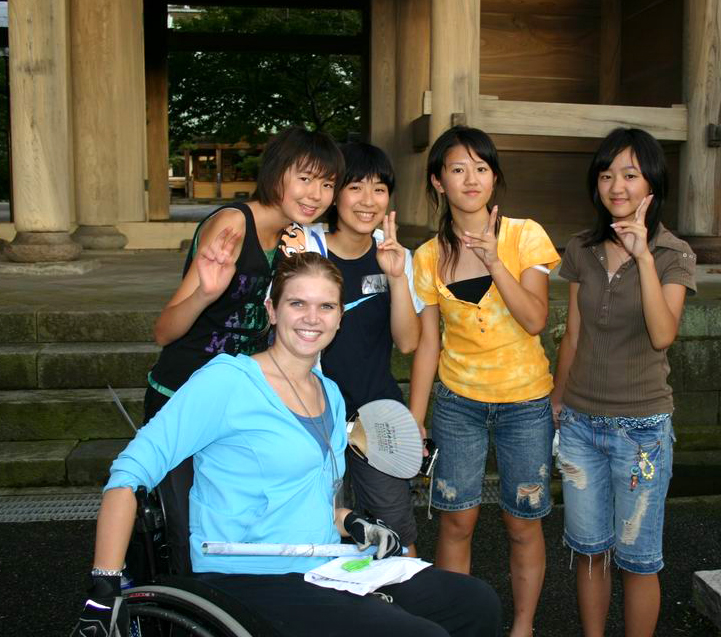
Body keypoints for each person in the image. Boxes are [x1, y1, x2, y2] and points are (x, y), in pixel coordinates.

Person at [72, 252, 502, 637]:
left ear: (339, 317)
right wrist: (104, 587)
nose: (311, 318)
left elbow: (299, 497)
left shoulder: (329, 392)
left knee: (475, 603)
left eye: (326, 306)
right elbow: (127, 475)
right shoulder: (227, 382)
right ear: (271, 310)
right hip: (246, 574)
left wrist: (351, 521)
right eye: (297, 303)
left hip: (323, 564)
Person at [142, 127, 343, 573]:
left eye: (327, 184)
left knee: (230, 528)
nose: (316, 194)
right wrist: (204, 294)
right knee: (182, 534)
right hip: (184, 397)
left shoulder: (290, 238)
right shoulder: (234, 224)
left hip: (240, 405)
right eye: (305, 178)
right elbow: (165, 330)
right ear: (276, 173)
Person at [409, 125, 560, 637]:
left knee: (523, 523)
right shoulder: (427, 256)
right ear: (438, 181)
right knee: (456, 520)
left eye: (481, 167)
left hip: (525, 402)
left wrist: (495, 259)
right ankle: (457, 627)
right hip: (458, 403)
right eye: (457, 168)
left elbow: (536, 318)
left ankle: (523, 626)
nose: (470, 178)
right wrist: (416, 416)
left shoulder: (524, 235)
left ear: (495, 177)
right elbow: (429, 342)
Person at [550, 127, 696, 637]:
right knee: (589, 553)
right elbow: (573, 333)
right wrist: (557, 399)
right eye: (607, 174)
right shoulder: (582, 248)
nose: (617, 185)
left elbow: (663, 334)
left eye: (630, 174)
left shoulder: (674, 253)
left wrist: (644, 257)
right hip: (580, 427)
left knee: (638, 558)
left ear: (652, 182)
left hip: (642, 433)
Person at [320, 142, 423, 556]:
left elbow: (409, 341)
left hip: (376, 416)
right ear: (335, 193)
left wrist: (397, 277)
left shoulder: (396, 255)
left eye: (379, 189)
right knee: (323, 534)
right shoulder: (307, 250)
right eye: (355, 187)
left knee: (397, 539)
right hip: (316, 416)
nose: (368, 201)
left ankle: (403, 619)